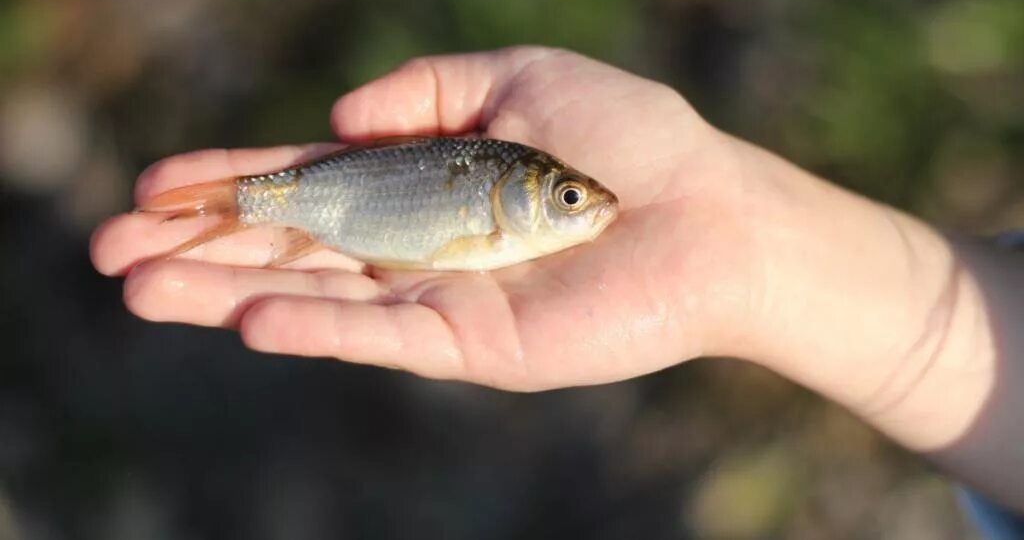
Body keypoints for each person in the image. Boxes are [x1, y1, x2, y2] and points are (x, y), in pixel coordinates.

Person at [90, 47, 1024, 515]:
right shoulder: (495, 197)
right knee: (246, 210)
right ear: (528, 190)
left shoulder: (513, 203)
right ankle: (229, 206)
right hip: (332, 202)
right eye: (570, 197)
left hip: (342, 209)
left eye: (568, 195)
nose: (585, 207)